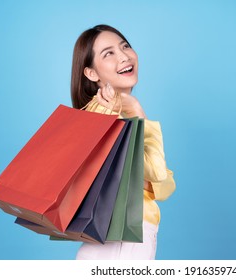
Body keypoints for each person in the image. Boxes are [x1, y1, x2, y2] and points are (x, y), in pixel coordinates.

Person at [70, 24, 176, 260]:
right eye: (109, 53)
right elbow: (158, 174)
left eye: (125, 46)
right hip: (123, 238)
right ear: (91, 73)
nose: (124, 56)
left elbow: (166, 187)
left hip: (115, 239)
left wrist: (148, 182)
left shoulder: (118, 113)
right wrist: (139, 113)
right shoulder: (103, 117)